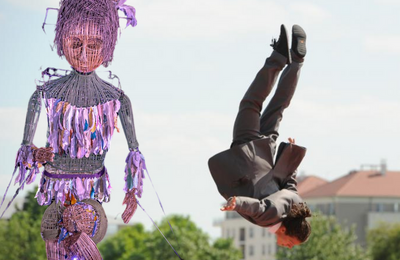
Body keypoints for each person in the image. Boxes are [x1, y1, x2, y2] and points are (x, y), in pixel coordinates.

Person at [208, 24, 312, 248]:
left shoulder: (296, 204)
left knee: (278, 107)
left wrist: (291, 152)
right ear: (285, 230)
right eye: (290, 243)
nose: (288, 247)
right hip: (249, 156)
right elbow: (257, 208)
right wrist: (236, 203)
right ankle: (278, 57)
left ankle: (296, 62)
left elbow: (290, 181)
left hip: (268, 150)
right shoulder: (271, 219)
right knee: (251, 103)